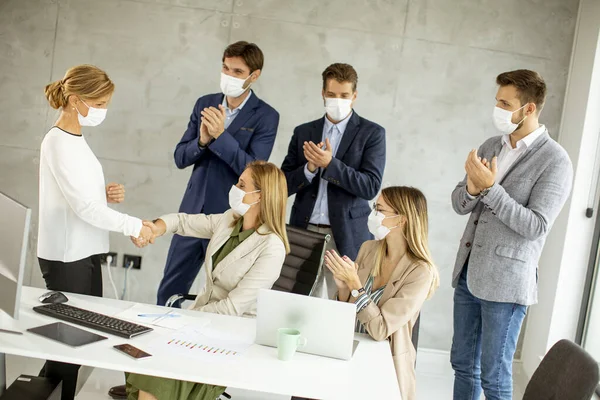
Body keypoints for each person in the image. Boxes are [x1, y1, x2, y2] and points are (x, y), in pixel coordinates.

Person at [450, 70, 573, 400]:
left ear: (529, 109)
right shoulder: (492, 145)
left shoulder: (555, 161)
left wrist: (489, 190)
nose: (498, 110)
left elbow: (536, 225)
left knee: (493, 376)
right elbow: (460, 203)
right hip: (468, 273)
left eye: (506, 103)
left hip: (506, 284)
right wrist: (473, 190)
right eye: (497, 102)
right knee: (463, 365)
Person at [125, 161, 289, 400]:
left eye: (242, 185)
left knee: (163, 363)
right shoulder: (229, 219)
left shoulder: (272, 247)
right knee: (148, 345)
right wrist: (154, 228)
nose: (235, 188)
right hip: (200, 321)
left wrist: (187, 319)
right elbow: (183, 222)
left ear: (260, 196)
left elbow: (233, 308)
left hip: (232, 330)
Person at [38, 64, 153, 400]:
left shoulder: (76, 139)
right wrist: (134, 225)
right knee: (67, 351)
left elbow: (80, 198)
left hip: (85, 251)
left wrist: (105, 194)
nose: (103, 111)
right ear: (75, 100)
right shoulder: (58, 142)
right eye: (100, 104)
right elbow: (83, 208)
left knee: (79, 345)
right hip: (66, 255)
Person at [159, 41, 280, 307]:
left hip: (230, 217)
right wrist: (202, 142)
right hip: (193, 209)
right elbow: (180, 157)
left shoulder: (267, 116)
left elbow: (255, 170)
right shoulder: (205, 103)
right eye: (225, 68)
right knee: (168, 292)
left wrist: (221, 137)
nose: (228, 75)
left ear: (254, 75)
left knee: (219, 296)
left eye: (237, 71)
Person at [281, 63, 386, 299]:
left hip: (346, 236)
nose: (337, 100)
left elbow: (370, 187)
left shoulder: (372, 133)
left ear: (354, 96)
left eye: (344, 96)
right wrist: (309, 169)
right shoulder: (303, 132)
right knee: (295, 300)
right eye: (331, 95)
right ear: (322, 94)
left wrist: (331, 165)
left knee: (339, 306)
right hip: (303, 231)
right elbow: (282, 185)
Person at [326, 186, 439, 400]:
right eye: (374, 208)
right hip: (350, 349)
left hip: (384, 364)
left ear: (401, 220)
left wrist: (355, 287)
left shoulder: (421, 272)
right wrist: (343, 288)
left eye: (379, 209)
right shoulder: (369, 248)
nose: (372, 215)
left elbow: (380, 330)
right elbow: (347, 311)